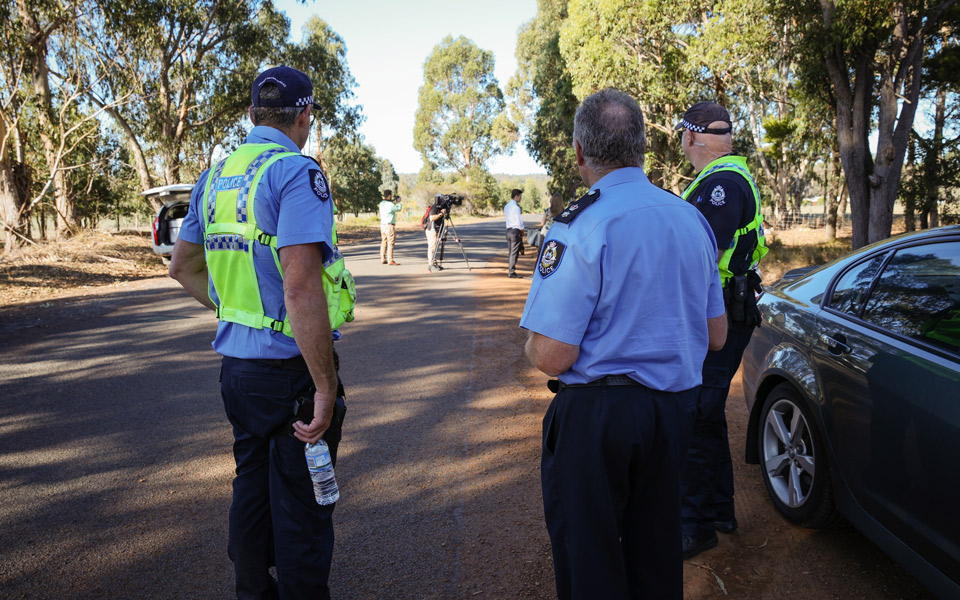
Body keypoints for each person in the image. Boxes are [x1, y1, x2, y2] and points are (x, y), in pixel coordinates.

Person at [520, 88, 727, 599]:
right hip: (675, 413)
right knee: (657, 553)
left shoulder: (579, 224)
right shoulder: (691, 219)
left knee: (590, 559)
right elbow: (717, 335)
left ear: (578, 152)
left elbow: (552, 354)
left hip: (599, 418)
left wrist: (531, 345)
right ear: (641, 149)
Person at [169, 65, 356, 600]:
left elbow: (182, 267)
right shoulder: (295, 173)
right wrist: (324, 386)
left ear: (253, 116)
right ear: (304, 115)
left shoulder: (215, 177)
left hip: (238, 373)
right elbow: (300, 288)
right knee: (302, 509)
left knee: (251, 489)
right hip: (290, 374)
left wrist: (235, 313)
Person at [675, 101, 767, 560]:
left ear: (692, 138)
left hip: (721, 314)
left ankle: (695, 526)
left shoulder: (721, 185)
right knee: (707, 413)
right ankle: (720, 510)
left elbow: (700, 259)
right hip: (729, 310)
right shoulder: (727, 178)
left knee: (694, 413)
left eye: (683, 137)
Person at [504, 188, 525, 277]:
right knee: (514, 252)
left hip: (508, 230)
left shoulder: (507, 206)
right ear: (516, 196)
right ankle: (511, 272)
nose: (520, 198)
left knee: (511, 252)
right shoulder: (516, 207)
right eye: (520, 196)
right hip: (515, 231)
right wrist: (522, 230)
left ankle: (511, 270)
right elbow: (519, 221)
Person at [378, 189, 402, 265]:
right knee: (391, 242)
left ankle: (383, 258)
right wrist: (398, 203)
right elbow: (398, 209)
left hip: (383, 225)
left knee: (384, 242)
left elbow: (390, 206)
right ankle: (390, 259)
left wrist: (394, 203)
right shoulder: (390, 205)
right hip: (389, 226)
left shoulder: (381, 204)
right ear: (389, 195)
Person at [425, 197, 447, 272]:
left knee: (435, 247)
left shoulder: (440, 207)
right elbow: (431, 218)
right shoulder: (435, 207)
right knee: (432, 247)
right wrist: (441, 214)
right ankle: (431, 264)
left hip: (436, 229)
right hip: (431, 229)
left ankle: (434, 263)